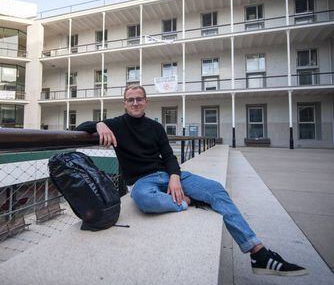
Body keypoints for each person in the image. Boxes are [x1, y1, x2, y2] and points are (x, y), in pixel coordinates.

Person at [76, 84, 307, 277]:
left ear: (146, 102)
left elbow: (168, 156)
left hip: (168, 174)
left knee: (216, 189)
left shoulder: (155, 127)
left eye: (139, 99)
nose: (135, 103)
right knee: (144, 199)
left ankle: (259, 254)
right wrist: (99, 124)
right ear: (124, 103)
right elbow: (79, 128)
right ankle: (189, 201)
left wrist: (175, 177)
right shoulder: (116, 124)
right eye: (130, 100)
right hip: (142, 181)